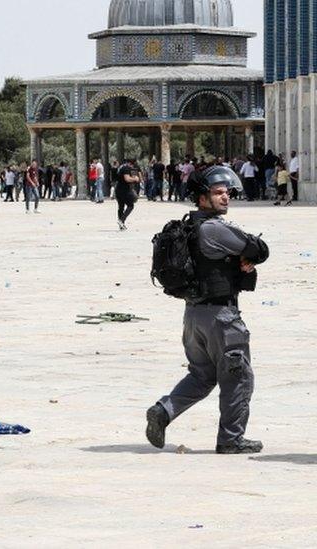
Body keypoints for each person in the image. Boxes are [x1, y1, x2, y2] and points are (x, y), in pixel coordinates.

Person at [145, 166, 269, 454]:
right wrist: (246, 256)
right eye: (218, 193)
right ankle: (231, 439)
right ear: (202, 198)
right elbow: (259, 249)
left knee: (202, 376)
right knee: (238, 378)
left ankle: (163, 411)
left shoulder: (189, 226)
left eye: (227, 192)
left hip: (194, 316)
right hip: (221, 319)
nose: (226, 197)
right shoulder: (214, 228)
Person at [116, 159, 140, 230]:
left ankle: (121, 225)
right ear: (130, 164)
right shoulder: (126, 168)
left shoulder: (121, 168)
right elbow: (127, 179)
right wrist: (135, 179)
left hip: (118, 190)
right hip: (124, 191)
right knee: (130, 206)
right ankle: (121, 220)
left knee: (121, 207)